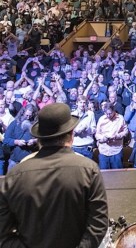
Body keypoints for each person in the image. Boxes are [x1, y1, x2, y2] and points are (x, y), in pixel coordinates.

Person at [0, 102, 108, 248]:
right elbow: (98, 225)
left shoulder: (14, 175)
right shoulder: (89, 170)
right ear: (71, 135)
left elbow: (3, 234)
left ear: (39, 138)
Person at [95, 103, 128, 169]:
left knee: (117, 174)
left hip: (116, 150)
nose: (108, 115)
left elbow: (126, 131)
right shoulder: (101, 119)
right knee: (104, 174)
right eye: (106, 113)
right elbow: (97, 134)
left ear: (114, 111)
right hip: (104, 150)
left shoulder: (120, 118)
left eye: (110, 113)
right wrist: (103, 138)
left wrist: (117, 136)